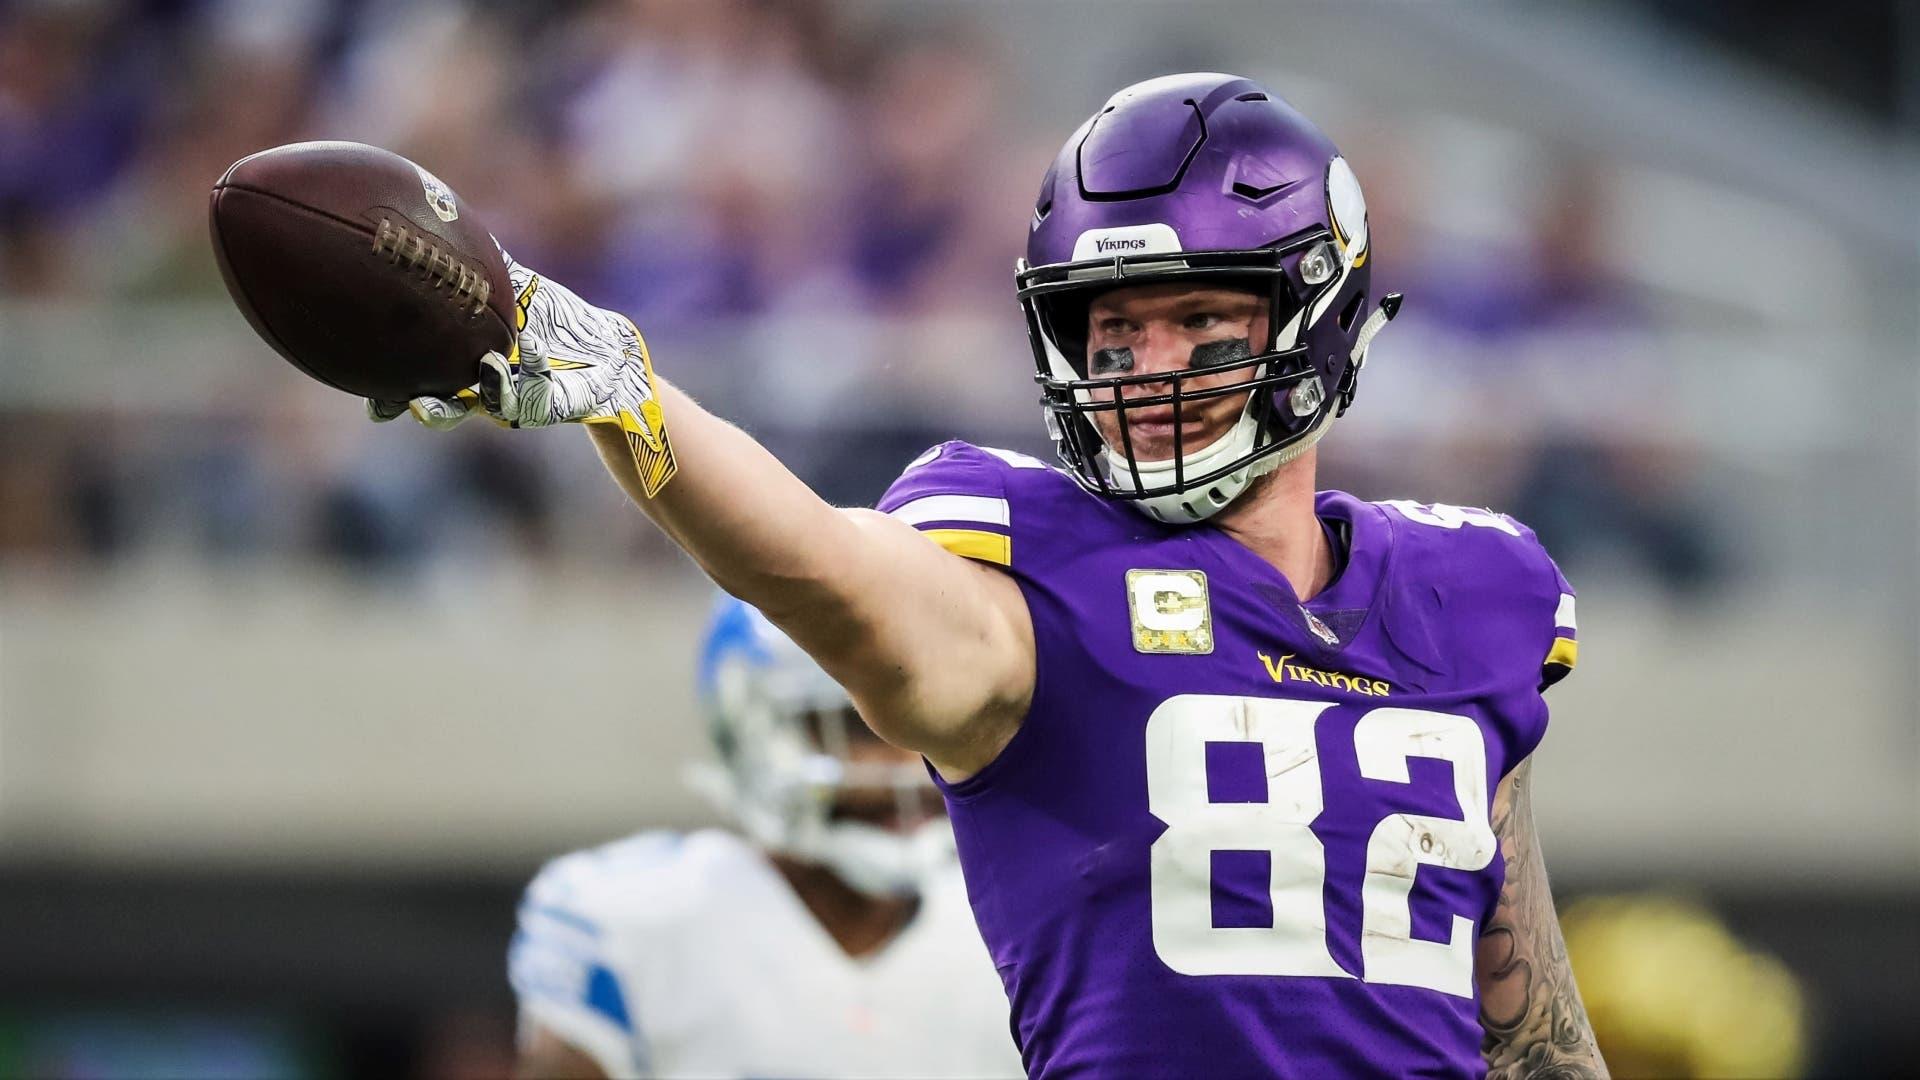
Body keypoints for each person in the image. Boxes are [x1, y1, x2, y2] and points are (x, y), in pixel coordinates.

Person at [378, 73, 1607, 1079]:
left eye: (1195, 321)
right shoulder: (1037, 577)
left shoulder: (1470, 591)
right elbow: (819, 567)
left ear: (1318, 315)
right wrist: (617, 388)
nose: (1142, 366)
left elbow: (1528, 1019)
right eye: (1110, 330)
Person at [508, 595, 1022, 1078]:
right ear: (755, 729)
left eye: (932, 726)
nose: (910, 766)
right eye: (860, 728)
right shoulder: (633, 919)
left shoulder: (1015, 934)